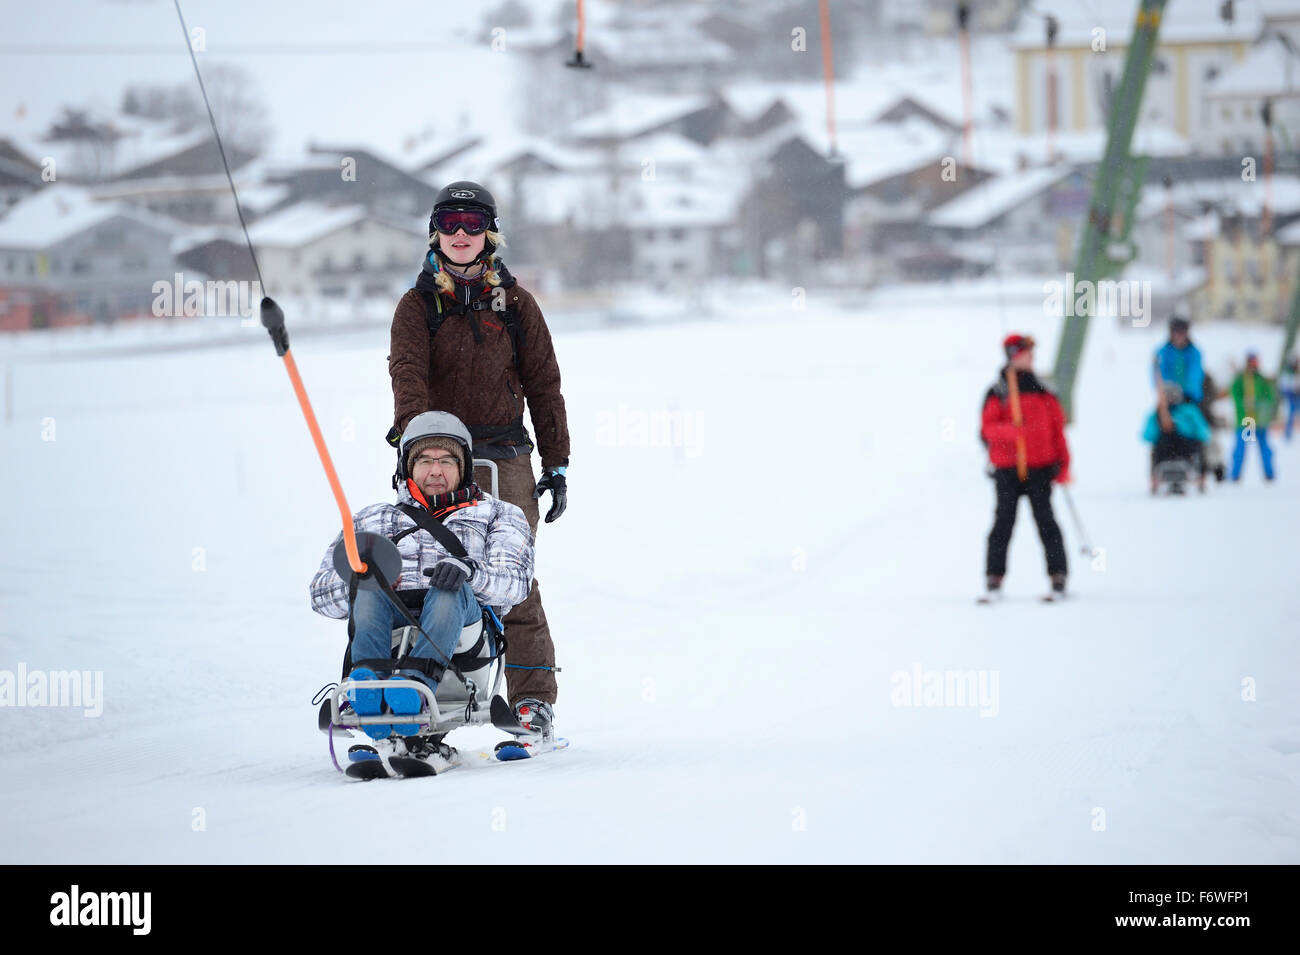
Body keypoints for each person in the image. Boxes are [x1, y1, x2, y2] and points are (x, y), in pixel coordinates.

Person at [387, 180, 569, 737]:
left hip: (506, 454)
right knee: (428, 574)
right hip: (438, 456)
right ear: (434, 232)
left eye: (472, 224)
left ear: (490, 232)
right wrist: (414, 447)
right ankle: (424, 698)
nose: (461, 235)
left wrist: (556, 464)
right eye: (449, 223)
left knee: (512, 576)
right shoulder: (417, 306)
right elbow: (407, 377)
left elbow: (544, 385)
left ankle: (531, 701)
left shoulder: (516, 304)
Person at [309, 411, 534, 746]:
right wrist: (361, 580)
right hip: (389, 633)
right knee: (368, 584)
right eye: (425, 460)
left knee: (448, 587)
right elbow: (320, 596)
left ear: (464, 468)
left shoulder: (498, 514)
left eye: (446, 460)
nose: (435, 471)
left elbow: (515, 583)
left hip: (463, 637)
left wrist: (470, 572)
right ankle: (368, 685)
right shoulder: (373, 518)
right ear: (407, 467)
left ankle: (413, 686)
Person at [979, 334, 1071, 599]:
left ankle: (1058, 576)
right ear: (1013, 355)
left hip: (1040, 468)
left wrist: (1063, 464)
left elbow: (1058, 431)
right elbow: (987, 429)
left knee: (1046, 522)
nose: (1032, 358)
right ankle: (994, 577)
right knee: (1003, 522)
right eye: (1026, 353)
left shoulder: (1044, 392)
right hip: (1008, 468)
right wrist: (1012, 432)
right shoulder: (998, 391)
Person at [1148, 316, 1210, 492]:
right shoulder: (1163, 352)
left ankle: (1201, 474)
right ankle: (1157, 474)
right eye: (1176, 332)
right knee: (1161, 435)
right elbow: (1157, 375)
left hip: (1190, 399)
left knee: (1197, 431)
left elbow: (1195, 373)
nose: (1179, 336)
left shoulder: (1194, 352)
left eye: (1182, 332)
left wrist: (1187, 394)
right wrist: (1166, 394)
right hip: (1166, 400)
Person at [1229, 352, 1278, 482]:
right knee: (1240, 450)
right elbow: (1235, 394)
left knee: (1265, 449)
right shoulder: (1240, 379)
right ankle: (1235, 476)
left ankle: (1269, 475)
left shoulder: (1262, 380)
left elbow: (1269, 397)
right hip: (1245, 421)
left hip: (1260, 421)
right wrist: (1244, 403)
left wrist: (1258, 403)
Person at [1280, 354, 1299, 442]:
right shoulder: (1287, 372)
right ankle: (1288, 433)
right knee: (1291, 414)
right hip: (1291, 396)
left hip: (1296, 396)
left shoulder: (1296, 372)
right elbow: (1284, 386)